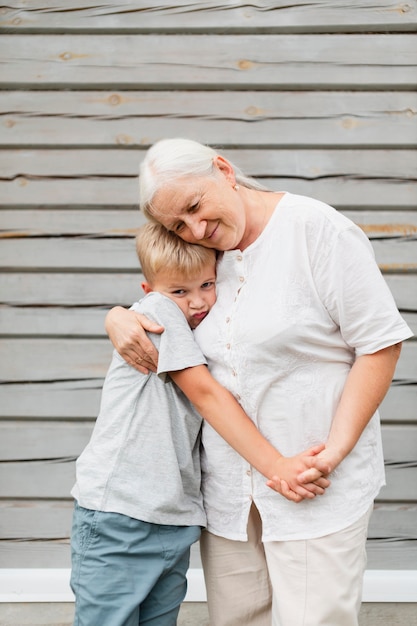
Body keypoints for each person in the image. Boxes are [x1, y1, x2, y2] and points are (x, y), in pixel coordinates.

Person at [105, 138, 413, 626]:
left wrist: (333, 451)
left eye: (195, 207)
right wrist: (119, 315)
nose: (196, 229)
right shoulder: (202, 252)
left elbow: (380, 344)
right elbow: (167, 303)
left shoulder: (316, 230)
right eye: (177, 225)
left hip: (314, 480)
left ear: (224, 170)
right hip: (228, 493)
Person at [70, 222, 330, 626]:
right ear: (150, 291)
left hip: (172, 518)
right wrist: (277, 466)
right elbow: (206, 395)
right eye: (180, 291)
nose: (197, 302)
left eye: (207, 284)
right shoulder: (157, 314)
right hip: (121, 512)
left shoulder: (206, 323)